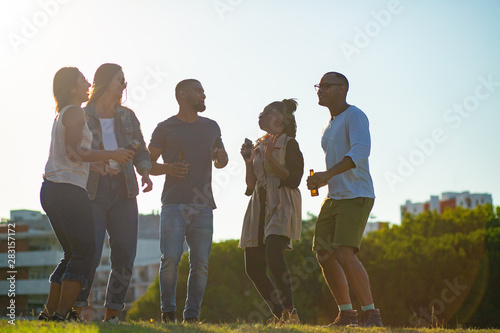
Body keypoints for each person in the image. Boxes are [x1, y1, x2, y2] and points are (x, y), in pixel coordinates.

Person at [39, 67, 134, 321]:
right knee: (84, 252)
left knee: (72, 254)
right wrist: (111, 155)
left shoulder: (64, 114)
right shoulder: (75, 114)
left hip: (53, 188)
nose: (88, 84)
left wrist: (95, 165)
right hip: (68, 191)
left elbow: (72, 155)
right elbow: (74, 152)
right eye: (82, 80)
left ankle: (49, 314)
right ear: (72, 88)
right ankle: (61, 314)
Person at [73, 63, 153, 322]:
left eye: (125, 81)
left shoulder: (128, 116)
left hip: (124, 190)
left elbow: (141, 149)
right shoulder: (82, 115)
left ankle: (112, 315)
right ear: (106, 82)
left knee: (125, 252)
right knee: (91, 251)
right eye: (120, 80)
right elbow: (73, 152)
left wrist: (144, 171)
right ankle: (81, 309)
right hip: (92, 190)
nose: (124, 86)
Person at [148, 79, 228, 323]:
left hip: (204, 206)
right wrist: (168, 168)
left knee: (200, 264)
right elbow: (147, 165)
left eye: (203, 91)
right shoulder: (165, 128)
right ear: (182, 95)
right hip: (173, 203)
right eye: (198, 91)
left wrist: (222, 156)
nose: (203, 95)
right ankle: (168, 313)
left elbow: (221, 161)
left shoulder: (212, 127)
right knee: (170, 259)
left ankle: (192, 317)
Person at [307, 72, 383, 327]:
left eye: (326, 86)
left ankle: (371, 314)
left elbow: (361, 151)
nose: (320, 90)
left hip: (357, 194)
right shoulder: (329, 125)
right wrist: (322, 179)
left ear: (343, 89)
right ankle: (347, 314)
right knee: (324, 254)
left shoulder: (355, 115)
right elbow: (338, 163)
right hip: (334, 197)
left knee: (343, 251)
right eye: (319, 86)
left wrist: (327, 174)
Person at [239, 99, 304, 324]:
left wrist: (268, 159)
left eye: (268, 112)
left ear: (281, 119)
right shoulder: (260, 144)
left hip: (282, 204)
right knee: (253, 267)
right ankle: (279, 314)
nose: (262, 114)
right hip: (258, 205)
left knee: (274, 254)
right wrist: (249, 162)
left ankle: (291, 311)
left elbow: (294, 179)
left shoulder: (290, 144)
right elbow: (250, 186)